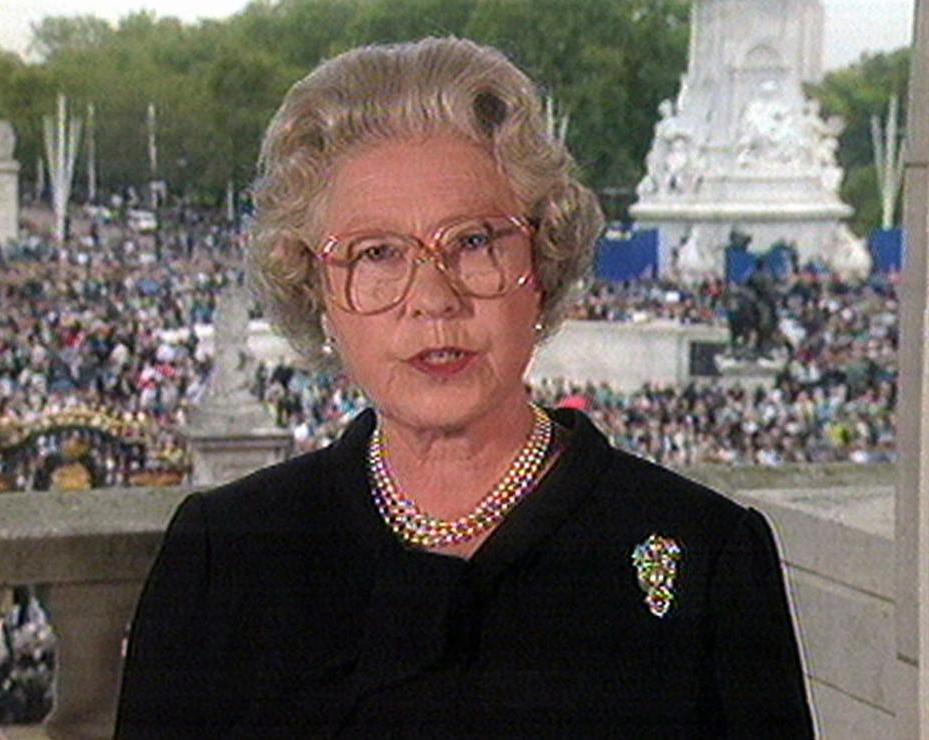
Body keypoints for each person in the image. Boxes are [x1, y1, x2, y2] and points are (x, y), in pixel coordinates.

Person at [116, 37, 814, 737]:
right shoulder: (224, 554)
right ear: (315, 291)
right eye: (378, 253)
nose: (432, 298)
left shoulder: (704, 555)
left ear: (542, 267)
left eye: (474, 242)